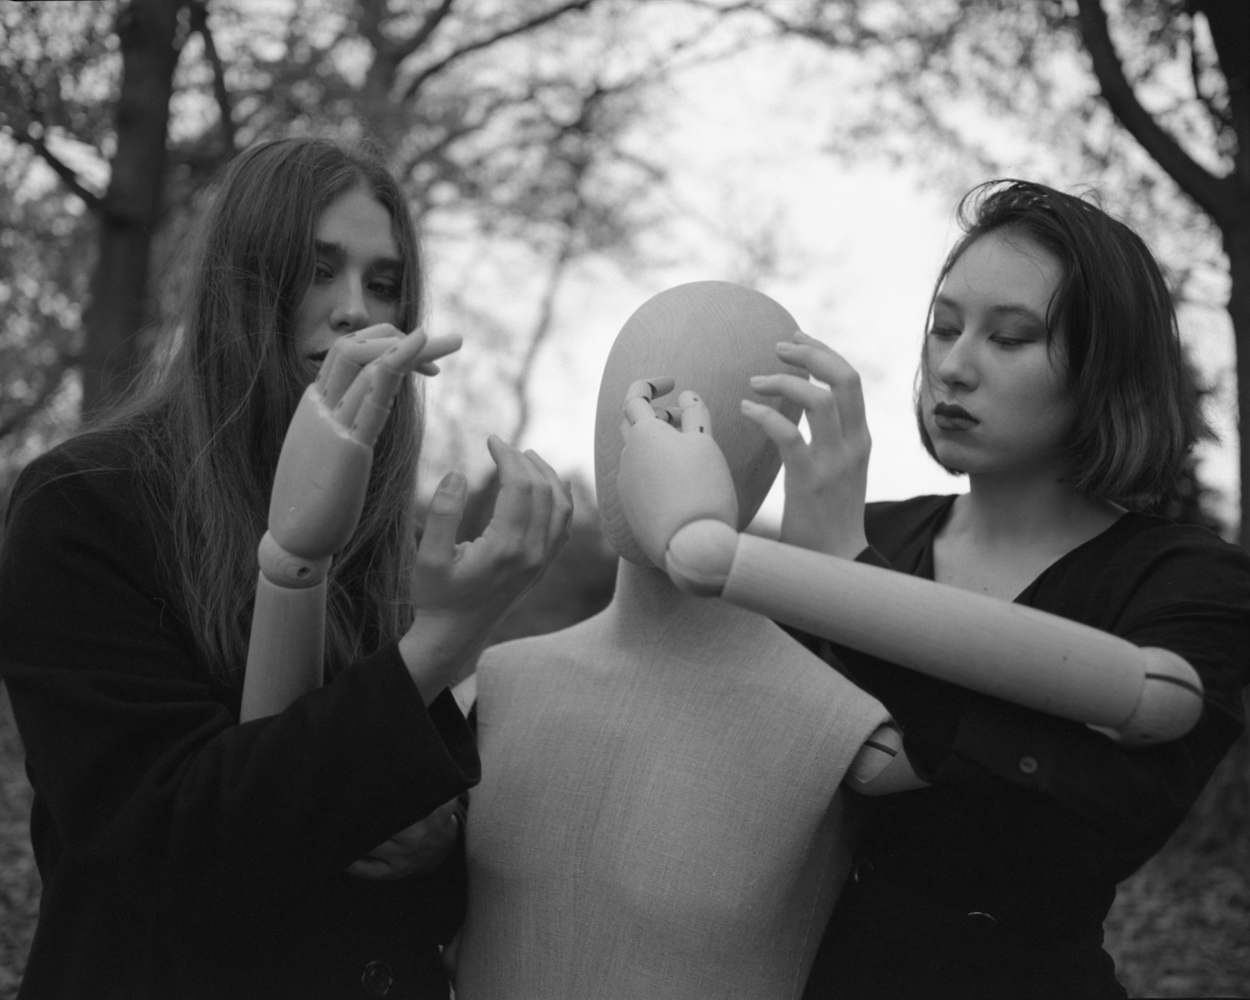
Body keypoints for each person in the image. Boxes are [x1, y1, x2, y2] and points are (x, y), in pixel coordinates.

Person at [0, 137, 571, 999]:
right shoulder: (84, 501)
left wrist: (439, 841)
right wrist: (442, 641)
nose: (354, 310)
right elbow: (171, 847)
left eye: (384, 283)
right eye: (318, 270)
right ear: (241, 284)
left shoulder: (391, 530)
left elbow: (431, 893)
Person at [737, 180, 1250, 999]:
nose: (953, 366)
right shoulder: (875, 529)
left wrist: (846, 579)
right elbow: (760, 769)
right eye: (944, 328)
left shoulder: (1187, 580)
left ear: (1108, 368)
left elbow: (1099, 821)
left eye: (1010, 338)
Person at [451, 281, 899, 1000]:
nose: (647, 429)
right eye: (631, 396)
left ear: (775, 448)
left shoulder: (836, 723)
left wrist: (829, 567)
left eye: (696, 408)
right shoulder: (500, 685)